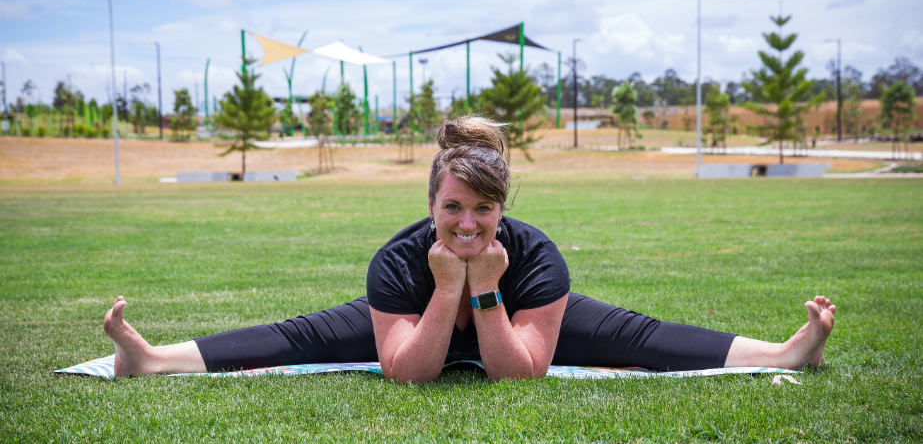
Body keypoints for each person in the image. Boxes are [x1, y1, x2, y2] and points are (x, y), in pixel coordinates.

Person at [104, 116, 836, 383]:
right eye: (451, 208)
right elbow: (410, 374)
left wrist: (485, 286)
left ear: (501, 210)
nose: (465, 224)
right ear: (429, 207)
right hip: (421, 312)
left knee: (634, 336)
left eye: (482, 210)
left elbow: (515, 375)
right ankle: (153, 356)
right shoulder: (397, 261)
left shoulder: (535, 255)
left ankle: (782, 352)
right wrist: (445, 288)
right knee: (299, 336)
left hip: (516, 313)